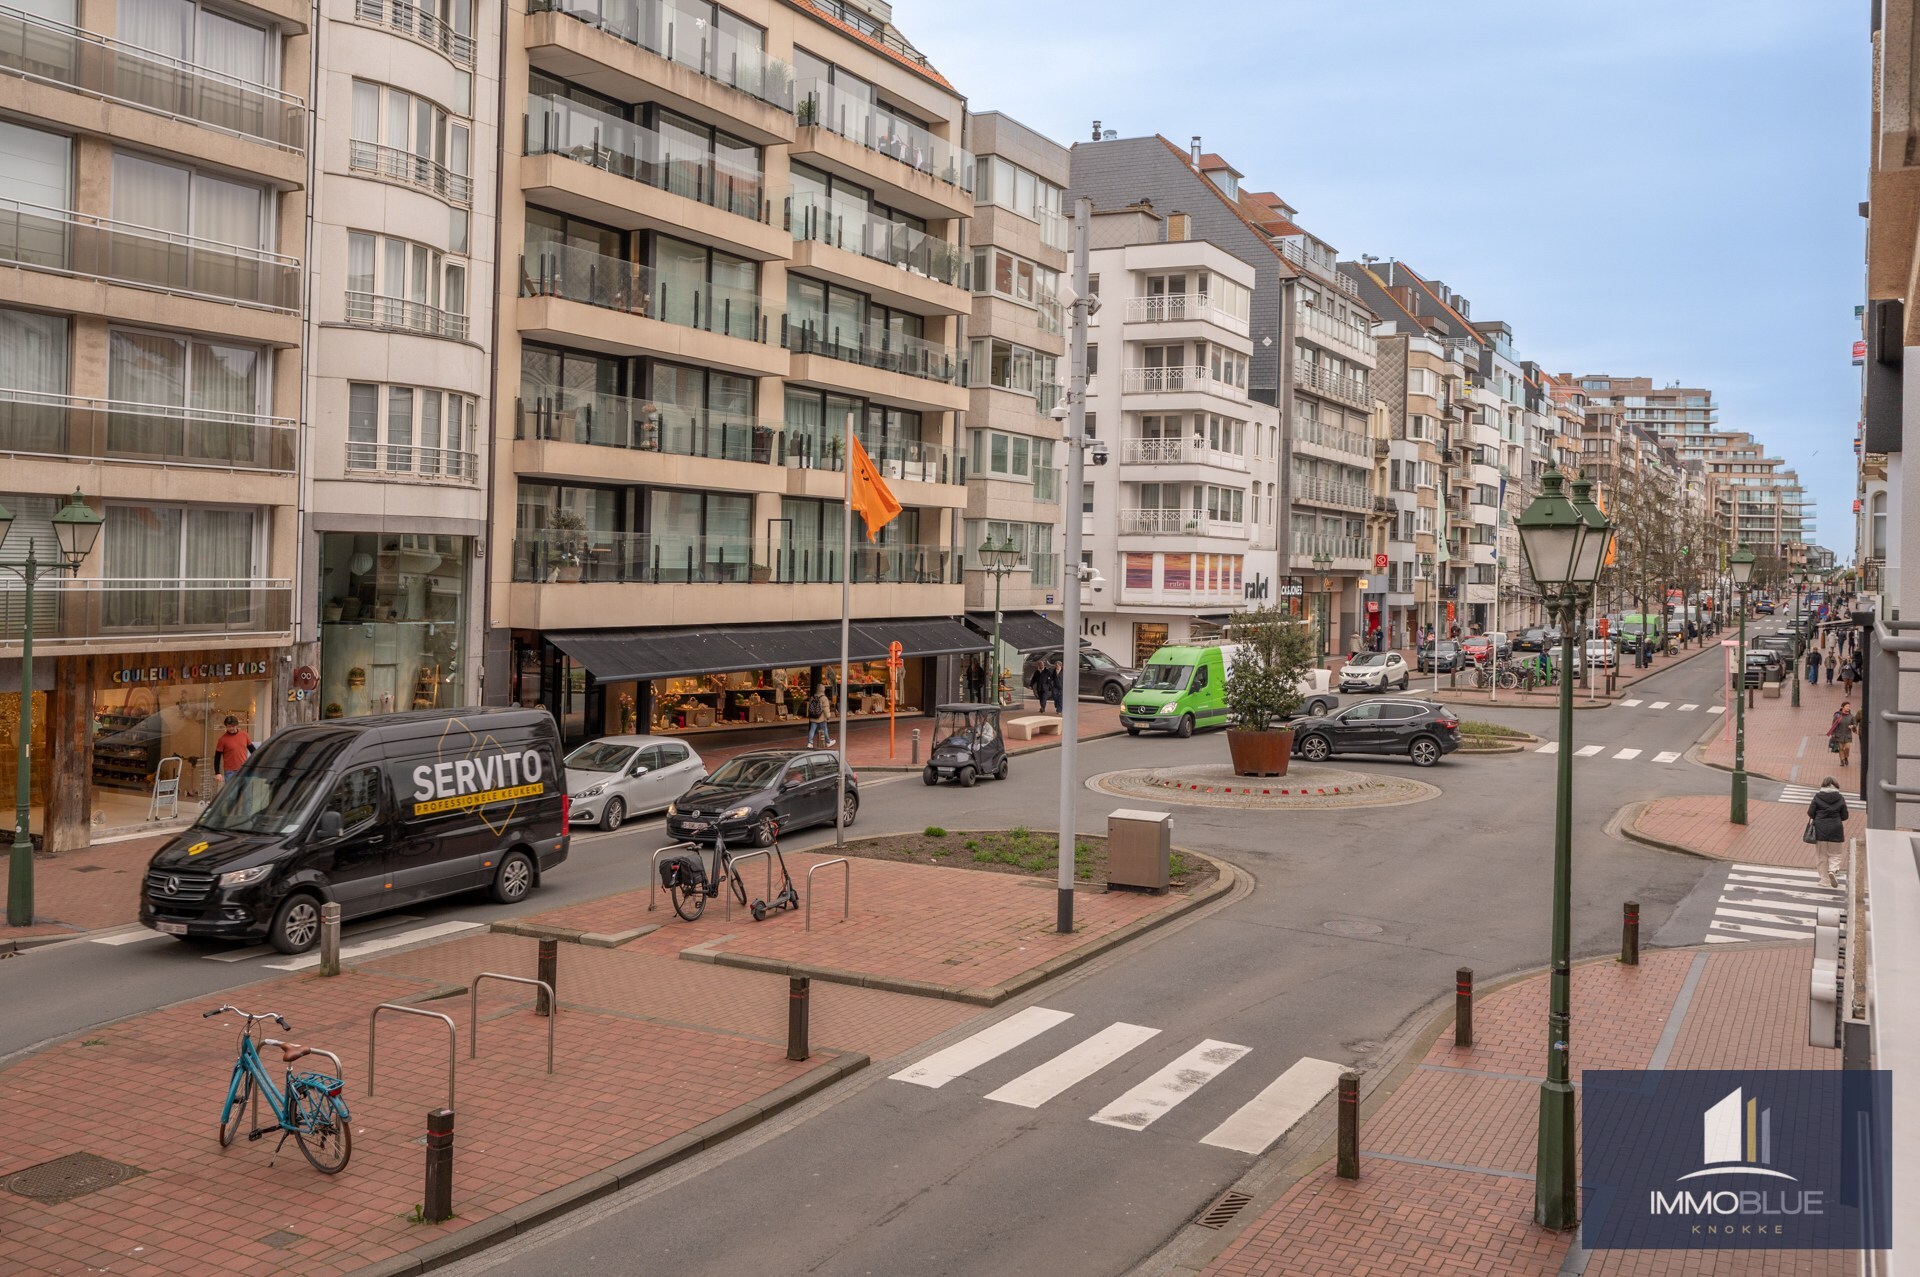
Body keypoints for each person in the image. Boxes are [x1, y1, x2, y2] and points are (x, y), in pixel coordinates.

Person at [1807, 776, 1851, 888]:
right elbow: (1845, 815)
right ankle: (1833, 870)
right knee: (1835, 853)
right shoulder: (1840, 798)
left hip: (1820, 829)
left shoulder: (1818, 796)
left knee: (1821, 855)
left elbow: (1811, 813)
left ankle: (1824, 880)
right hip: (1836, 828)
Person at [214, 715, 253, 785]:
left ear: (237, 725)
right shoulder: (222, 739)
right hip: (230, 772)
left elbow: (253, 751)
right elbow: (217, 757)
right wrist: (217, 773)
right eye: (229, 726)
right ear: (226, 726)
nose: (231, 728)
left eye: (233, 726)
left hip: (244, 770)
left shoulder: (244, 735)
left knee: (247, 795)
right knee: (232, 795)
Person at [1828, 701, 1857, 768]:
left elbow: (1855, 724)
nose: (1848, 708)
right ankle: (1842, 760)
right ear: (1842, 707)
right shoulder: (1837, 715)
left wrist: (1853, 726)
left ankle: (1846, 757)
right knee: (1841, 748)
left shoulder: (1851, 716)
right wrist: (1833, 734)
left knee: (1847, 748)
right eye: (1847, 706)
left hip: (1847, 735)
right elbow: (1833, 725)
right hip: (1839, 735)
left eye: (1849, 706)